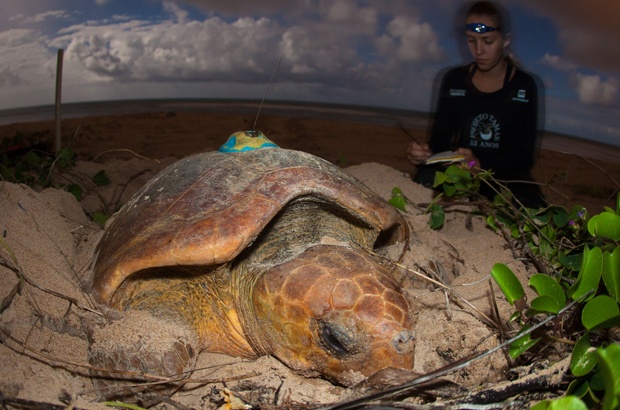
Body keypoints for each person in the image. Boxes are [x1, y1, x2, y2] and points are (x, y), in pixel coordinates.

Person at [407, 0, 546, 208]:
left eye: (488, 41)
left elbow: (524, 157)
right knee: (423, 180)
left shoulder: (525, 86)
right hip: (459, 171)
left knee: (531, 202)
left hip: (504, 176)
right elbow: (440, 141)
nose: (478, 50)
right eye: (471, 40)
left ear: (505, 40)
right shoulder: (454, 80)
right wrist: (424, 153)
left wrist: (480, 165)